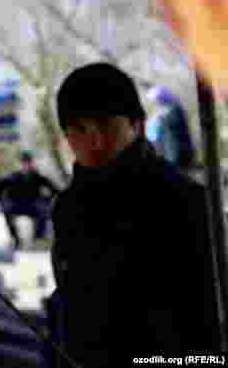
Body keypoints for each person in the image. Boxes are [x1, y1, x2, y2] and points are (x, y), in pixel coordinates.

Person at [48, 63, 218, 366]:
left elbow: (209, 319)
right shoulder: (67, 208)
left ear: (137, 124)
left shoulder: (186, 200)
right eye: (80, 130)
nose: (95, 141)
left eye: (105, 125)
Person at [0, 151, 59, 249]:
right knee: (6, 213)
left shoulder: (38, 177)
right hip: (16, 205)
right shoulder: (13, 177)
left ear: (31, 164)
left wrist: (47, 199)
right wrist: (1, 200)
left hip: (32, 205)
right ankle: (15, 238)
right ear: (20, 164)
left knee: (44, 211)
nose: (26, 166)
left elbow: (54, 190)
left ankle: (38, 237)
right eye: (24, 163)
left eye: (28, 163)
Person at [147, 86, 196, 169]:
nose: (156, 104)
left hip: (178, 153)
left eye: (156, 101)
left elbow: (172, 126)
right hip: (170, 154)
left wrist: (160, 119)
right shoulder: (163, 112)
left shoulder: (174, 110)